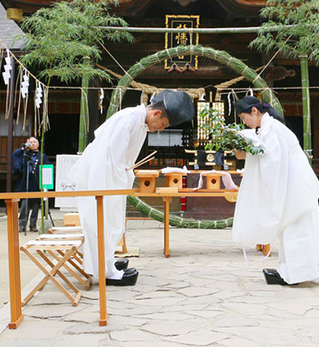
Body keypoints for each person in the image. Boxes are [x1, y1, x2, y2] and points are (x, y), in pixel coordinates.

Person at [69, 90, 194, 286]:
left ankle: (107, 263)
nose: (160, 129)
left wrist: (125, 174)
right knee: (102, 222)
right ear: (156, 114)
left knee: (112, 222)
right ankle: (105, 271)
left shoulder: (139, 121)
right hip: (102, 177)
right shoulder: (129, 118)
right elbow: (111, 157)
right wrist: (122, 176)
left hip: (112, 177)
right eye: (163, 125)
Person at [232, 96, 319, 286]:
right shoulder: (268, 128)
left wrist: (249, 154)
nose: (244, 123)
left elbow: (273, 162)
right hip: (292, 186)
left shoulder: (273, 129)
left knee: (296, 231)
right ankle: (290, 272)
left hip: (295, 187)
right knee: (292, 231)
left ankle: (296, 274)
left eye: (244, 118)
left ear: (254, 111)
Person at [12, 137, 50, 232]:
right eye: (31, 142)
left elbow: (47, 168)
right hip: (26, 181)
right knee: (25, 204)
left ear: (38, 144)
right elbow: (15, 155)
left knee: (36, 206)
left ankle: (33, 225)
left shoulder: (42, 156)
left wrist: (46, 184)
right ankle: (22, 225)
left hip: (37, 183)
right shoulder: (24, 154)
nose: (33, 144)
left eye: (35, 142)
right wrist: (24, 148)